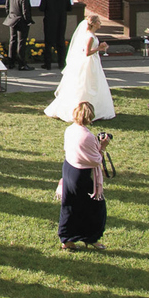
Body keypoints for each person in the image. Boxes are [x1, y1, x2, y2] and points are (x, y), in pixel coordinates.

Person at [57, 101, 109, 250]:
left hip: (69, 169)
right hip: (82, 174)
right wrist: (103, 147)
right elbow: (96, 160)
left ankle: (67, 239)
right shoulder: (87, 136)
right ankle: (91, 237)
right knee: (95, 208)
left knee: (69, 206)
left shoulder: (70, 130)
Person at [43, 15, 115, 121]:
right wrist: (99, 48)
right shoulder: (89, 36)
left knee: (93, 83)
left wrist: (100, 47)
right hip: (89, 62)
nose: (100, 23)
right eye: (99, 21)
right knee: (87, 84)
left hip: (93, 62)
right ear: (93, 23)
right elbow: (87, 52)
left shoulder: (91, 35)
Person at [39, 0, 72, 70]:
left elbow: (41, 8)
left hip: (49, 22)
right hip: (61, 21)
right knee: (61, 41)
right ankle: (61, 63)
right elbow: (69, 8)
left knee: (48, 43)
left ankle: (48, 64)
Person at [3, 0, 35, 70]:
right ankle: (21, 64)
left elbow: (7, 7)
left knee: (12, 40)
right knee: (21, 42)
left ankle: (11, 62)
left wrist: (10, 15)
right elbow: (25, 11)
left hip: (12, 19)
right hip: (21, 21)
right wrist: (28, 21)